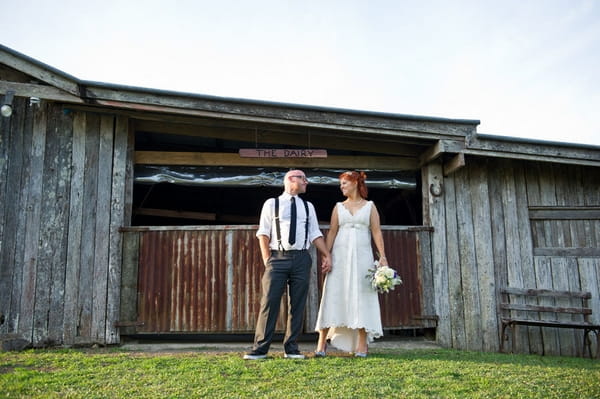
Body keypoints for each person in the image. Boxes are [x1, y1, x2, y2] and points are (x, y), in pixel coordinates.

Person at [244, 170, 332, 360]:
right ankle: (260, 349)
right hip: (278, 257)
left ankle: (291, 348)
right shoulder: (271, 203)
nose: (306, 182)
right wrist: (267, 259)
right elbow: (263, 233)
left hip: (301, 258)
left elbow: (315, 234)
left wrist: (326, 255)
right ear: (291, 180)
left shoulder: (308, 207)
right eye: (303, 179)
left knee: (298, 304)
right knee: (269, 302)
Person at [314, 171, 388, 357]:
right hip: (340, 255)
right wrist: (327, 256)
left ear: (355, 183)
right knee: (333, 292)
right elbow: (331, 232)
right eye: (341, 184)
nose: (342, 187)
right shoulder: (338, 207)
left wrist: (383, 256)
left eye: (345, 183)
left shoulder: (370, 206)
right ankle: (321, 343)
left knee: (363, 294)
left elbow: (377, 232)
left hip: (362, 255)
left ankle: (362, 345)